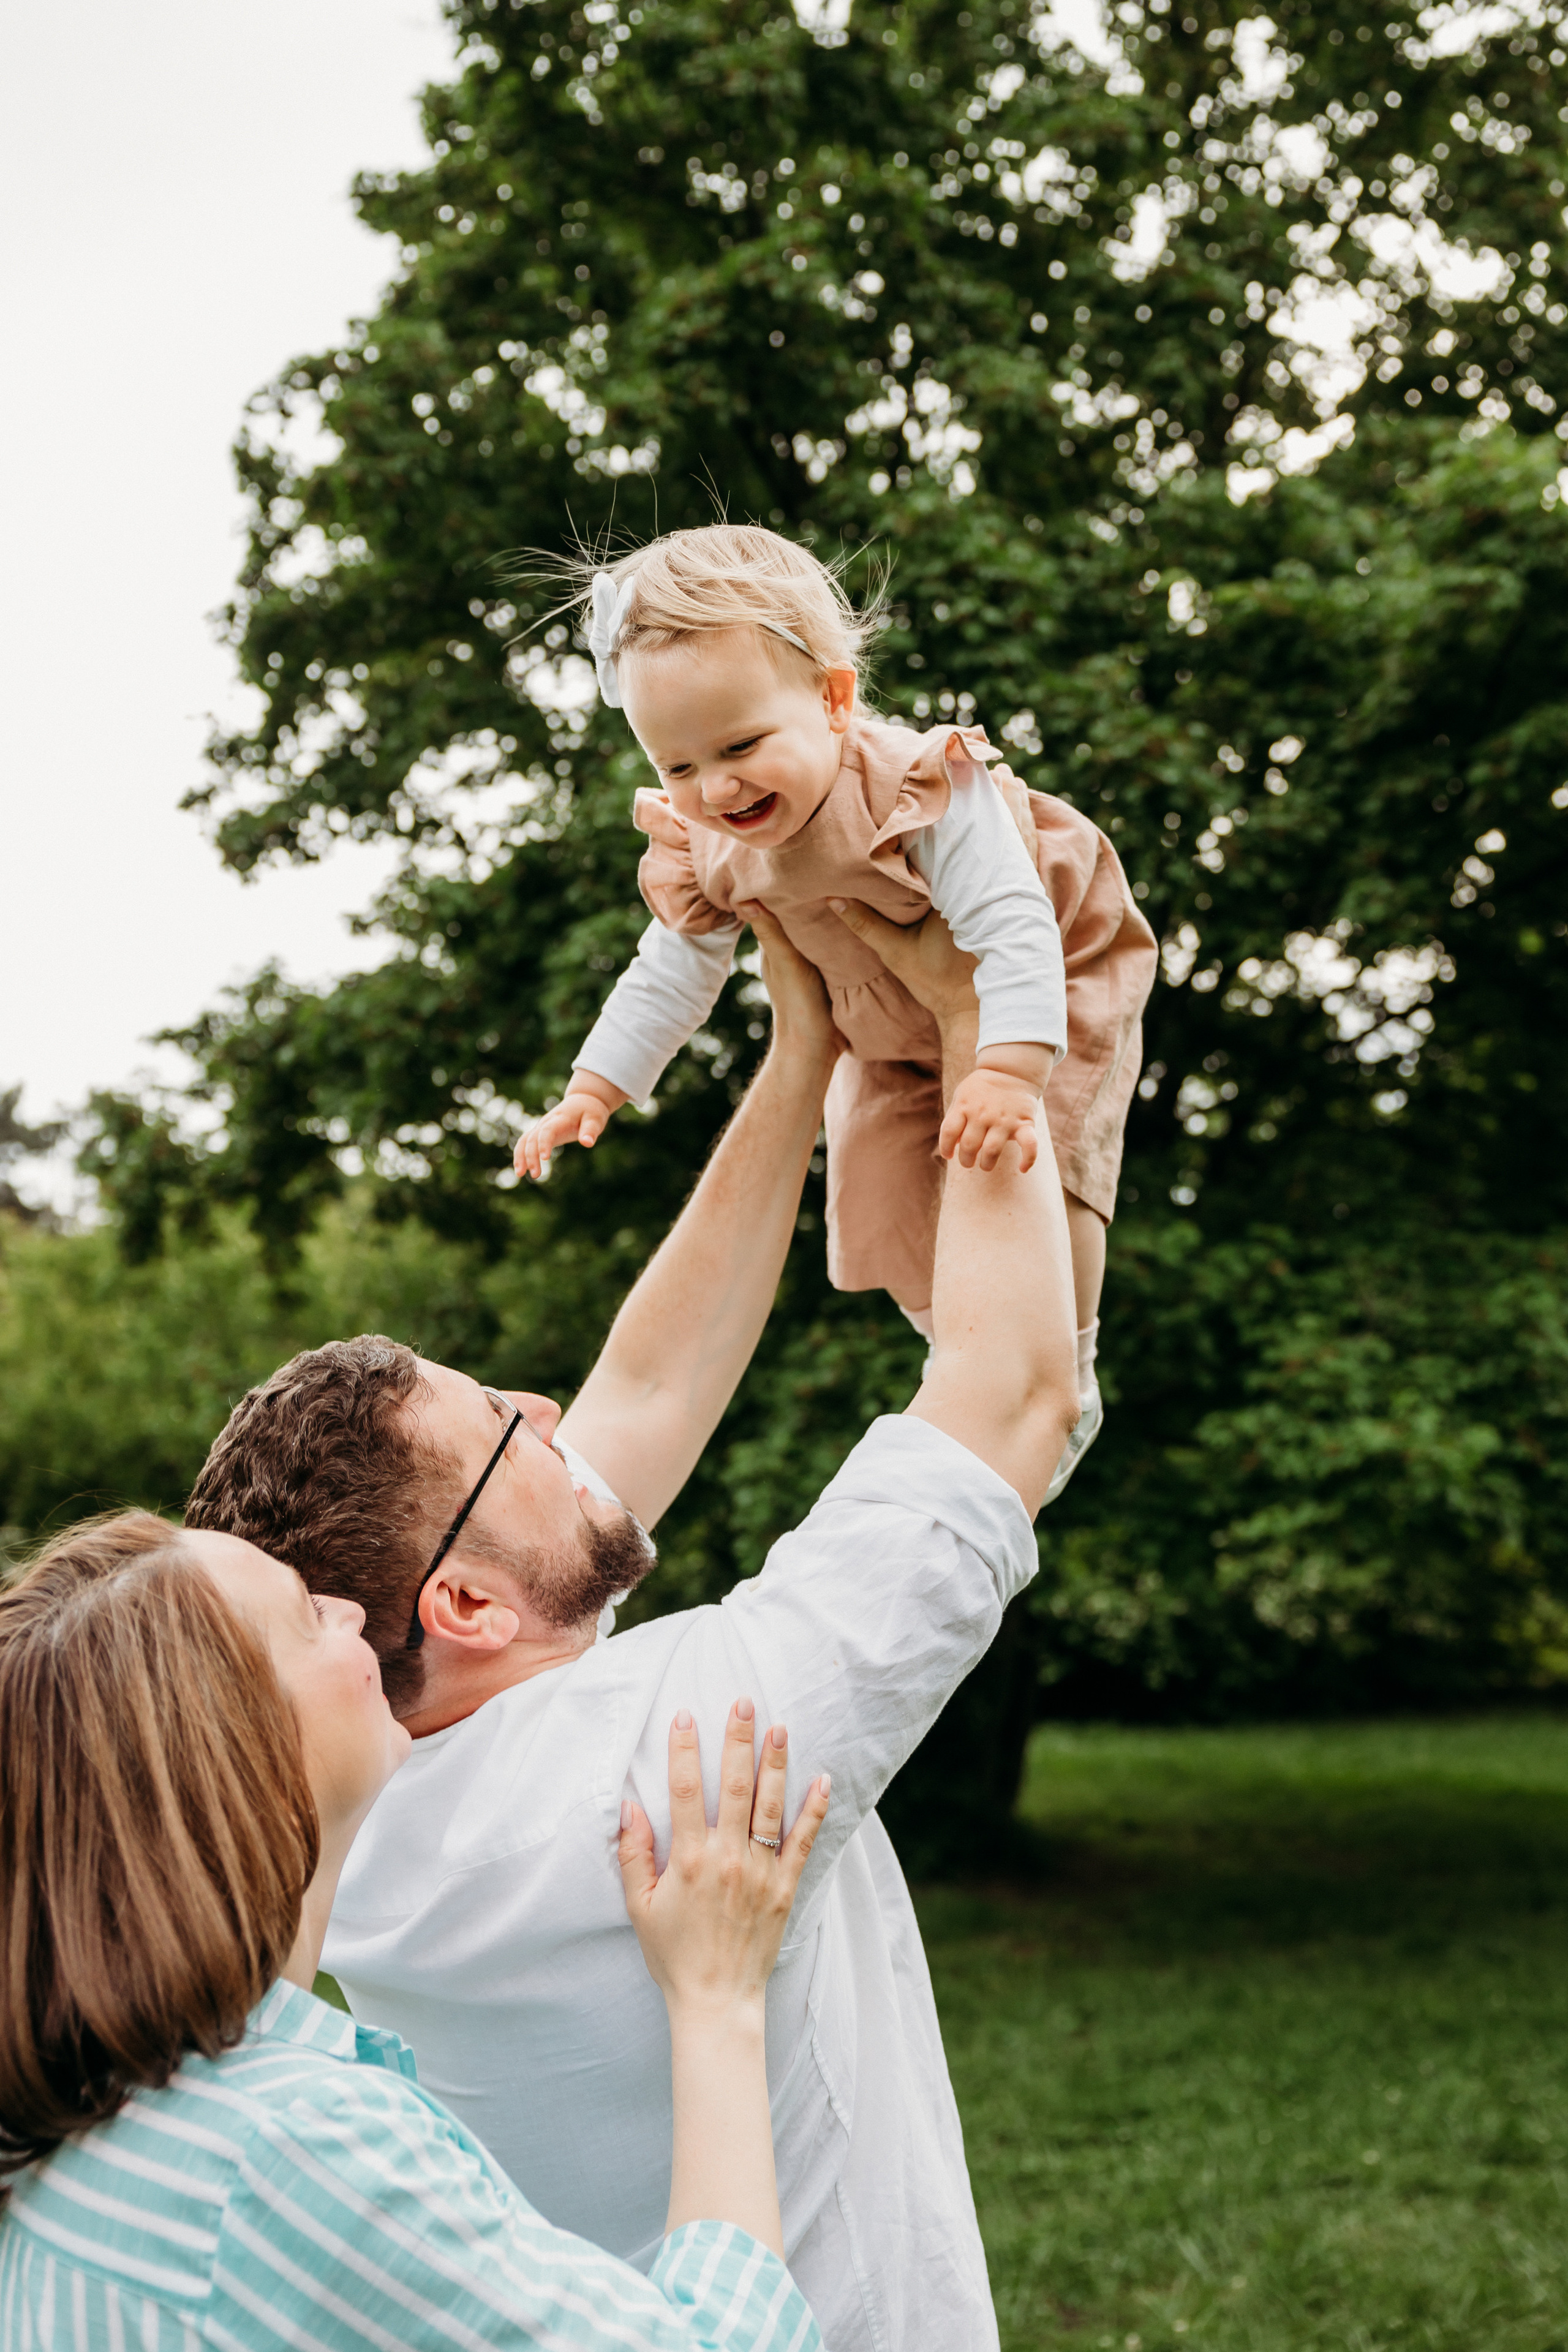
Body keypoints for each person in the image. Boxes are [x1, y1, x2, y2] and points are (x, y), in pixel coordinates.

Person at [185, 903, 1082, 2352]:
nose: (545, 1412)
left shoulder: (357, 1785)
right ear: (465, 1605)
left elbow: (652, 1385)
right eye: (500, 1427)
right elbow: (1011, 1394)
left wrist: (796, 1058)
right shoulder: (687, 1754)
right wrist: (984, 1028)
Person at [0, 1505, 830, 2351]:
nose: (350, 1609)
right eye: (306, 1614)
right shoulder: (289, 2153)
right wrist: (717, 1995)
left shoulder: (93, 2131)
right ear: (244, 1751)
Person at [514, 521, 1156, 1494]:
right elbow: (672, 967)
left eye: (740, 745)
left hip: (1039, 992)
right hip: (886, 1034)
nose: (715, 787)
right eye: (677, 766)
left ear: (834, 698)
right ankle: (970, 1365)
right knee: (884, 1196)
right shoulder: (710, 842)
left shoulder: (917, 786)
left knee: (1033, 1150)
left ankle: (1058, 1365)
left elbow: (1014, 921)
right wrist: (596, 1087)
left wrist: (1008, 1070)